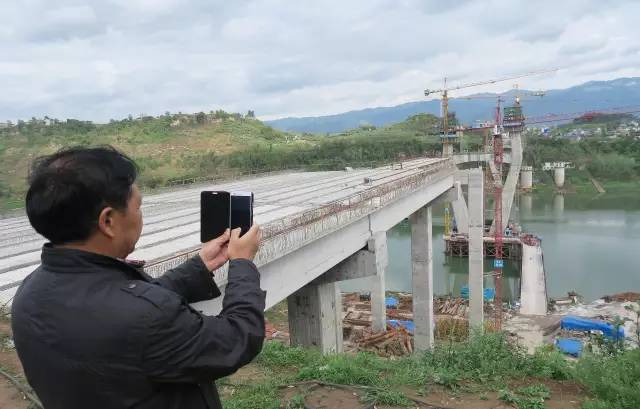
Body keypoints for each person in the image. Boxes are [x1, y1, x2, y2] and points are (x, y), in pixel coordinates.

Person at [11, 146, 266, 409]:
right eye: (138, 207)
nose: (140, 216)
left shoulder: (29, 294)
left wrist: (200, 266)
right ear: (108, 221)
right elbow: (236, 339)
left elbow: (123, 310)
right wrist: (242, 262)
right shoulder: (144, 318)